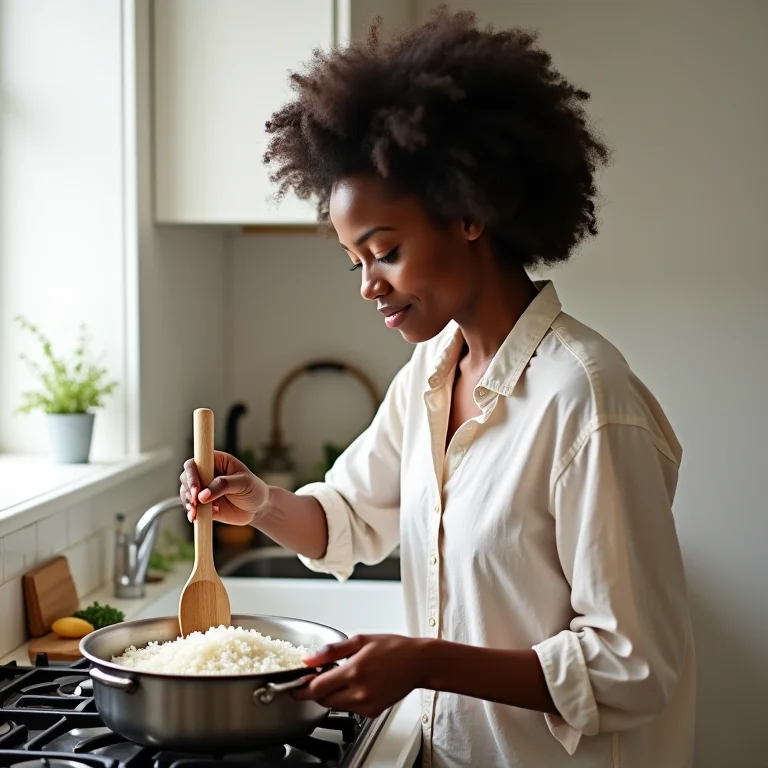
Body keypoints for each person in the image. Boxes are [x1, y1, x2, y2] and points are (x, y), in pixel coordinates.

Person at [180, 9, 695, 768]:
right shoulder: (433, 370)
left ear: (469, 214)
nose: (368, 286)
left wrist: (425, 661)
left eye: (383, 252)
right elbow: (351, 518)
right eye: (355, 261)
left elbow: (633, 666)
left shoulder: (586, 400)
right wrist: (261, 503)